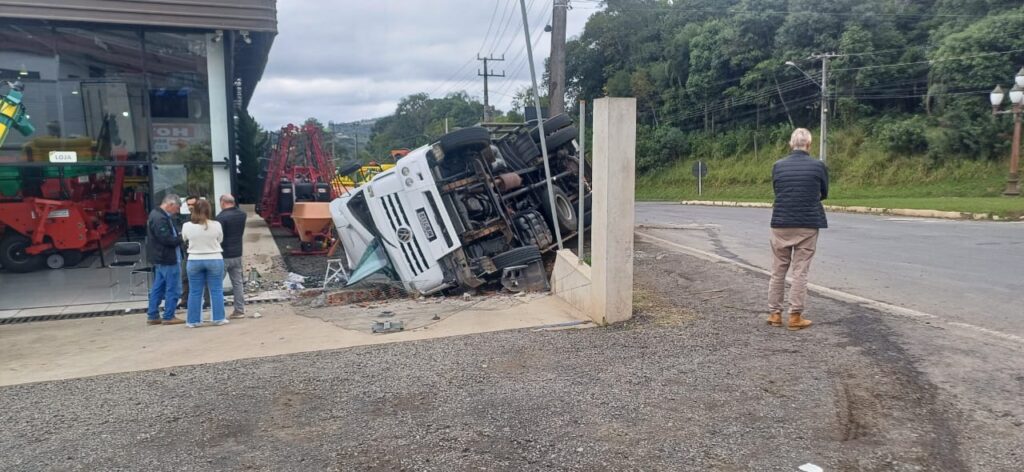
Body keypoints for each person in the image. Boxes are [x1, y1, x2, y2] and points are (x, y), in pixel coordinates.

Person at [767, 128, 829, 331]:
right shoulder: (819, 166)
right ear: (809, 145)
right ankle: (795, 316)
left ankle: (775, 314)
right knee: (800, 270)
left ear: (790, 144)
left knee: (778, 269)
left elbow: (778, 190)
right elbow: (824, 192)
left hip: (781, 222)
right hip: (807, 223)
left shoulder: (778, 166)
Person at [181, 199, 228, 328]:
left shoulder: (187, 226)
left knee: (195, 292)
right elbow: (220, 239)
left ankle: (193, 321)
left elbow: (184, 239)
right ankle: (218, 318)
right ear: (209, 210)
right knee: (216, 290)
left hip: (194, 259)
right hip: (214, 258)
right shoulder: (216, 224)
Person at [145, 194, 186, 325]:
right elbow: (166, 239)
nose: (178, 211)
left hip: (160, 257)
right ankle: (169, 315)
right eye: (177, 208)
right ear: (170, 205)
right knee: (172, 287)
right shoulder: (160, 218)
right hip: (167, 257)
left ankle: (152, 315)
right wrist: (182, 238)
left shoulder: (157, 215)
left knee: (158, 287)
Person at [216, 194, 247, 319]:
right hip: (237, 253)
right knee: (238, 283)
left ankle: (218, 313)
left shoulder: (220, 217)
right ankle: (239, 310)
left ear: (223, 202)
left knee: (216, 283)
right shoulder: (242, 215)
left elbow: (219, 237)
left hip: (223, 254)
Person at [179, 195, 210, 310]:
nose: (190, 207)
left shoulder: (207, 220)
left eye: (193, 204)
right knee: (185, 277)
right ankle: (185, 301)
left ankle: (208, 301)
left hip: (202, 253)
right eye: (188, 205)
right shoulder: (186, 220)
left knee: (206, 279)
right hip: (188, 253)